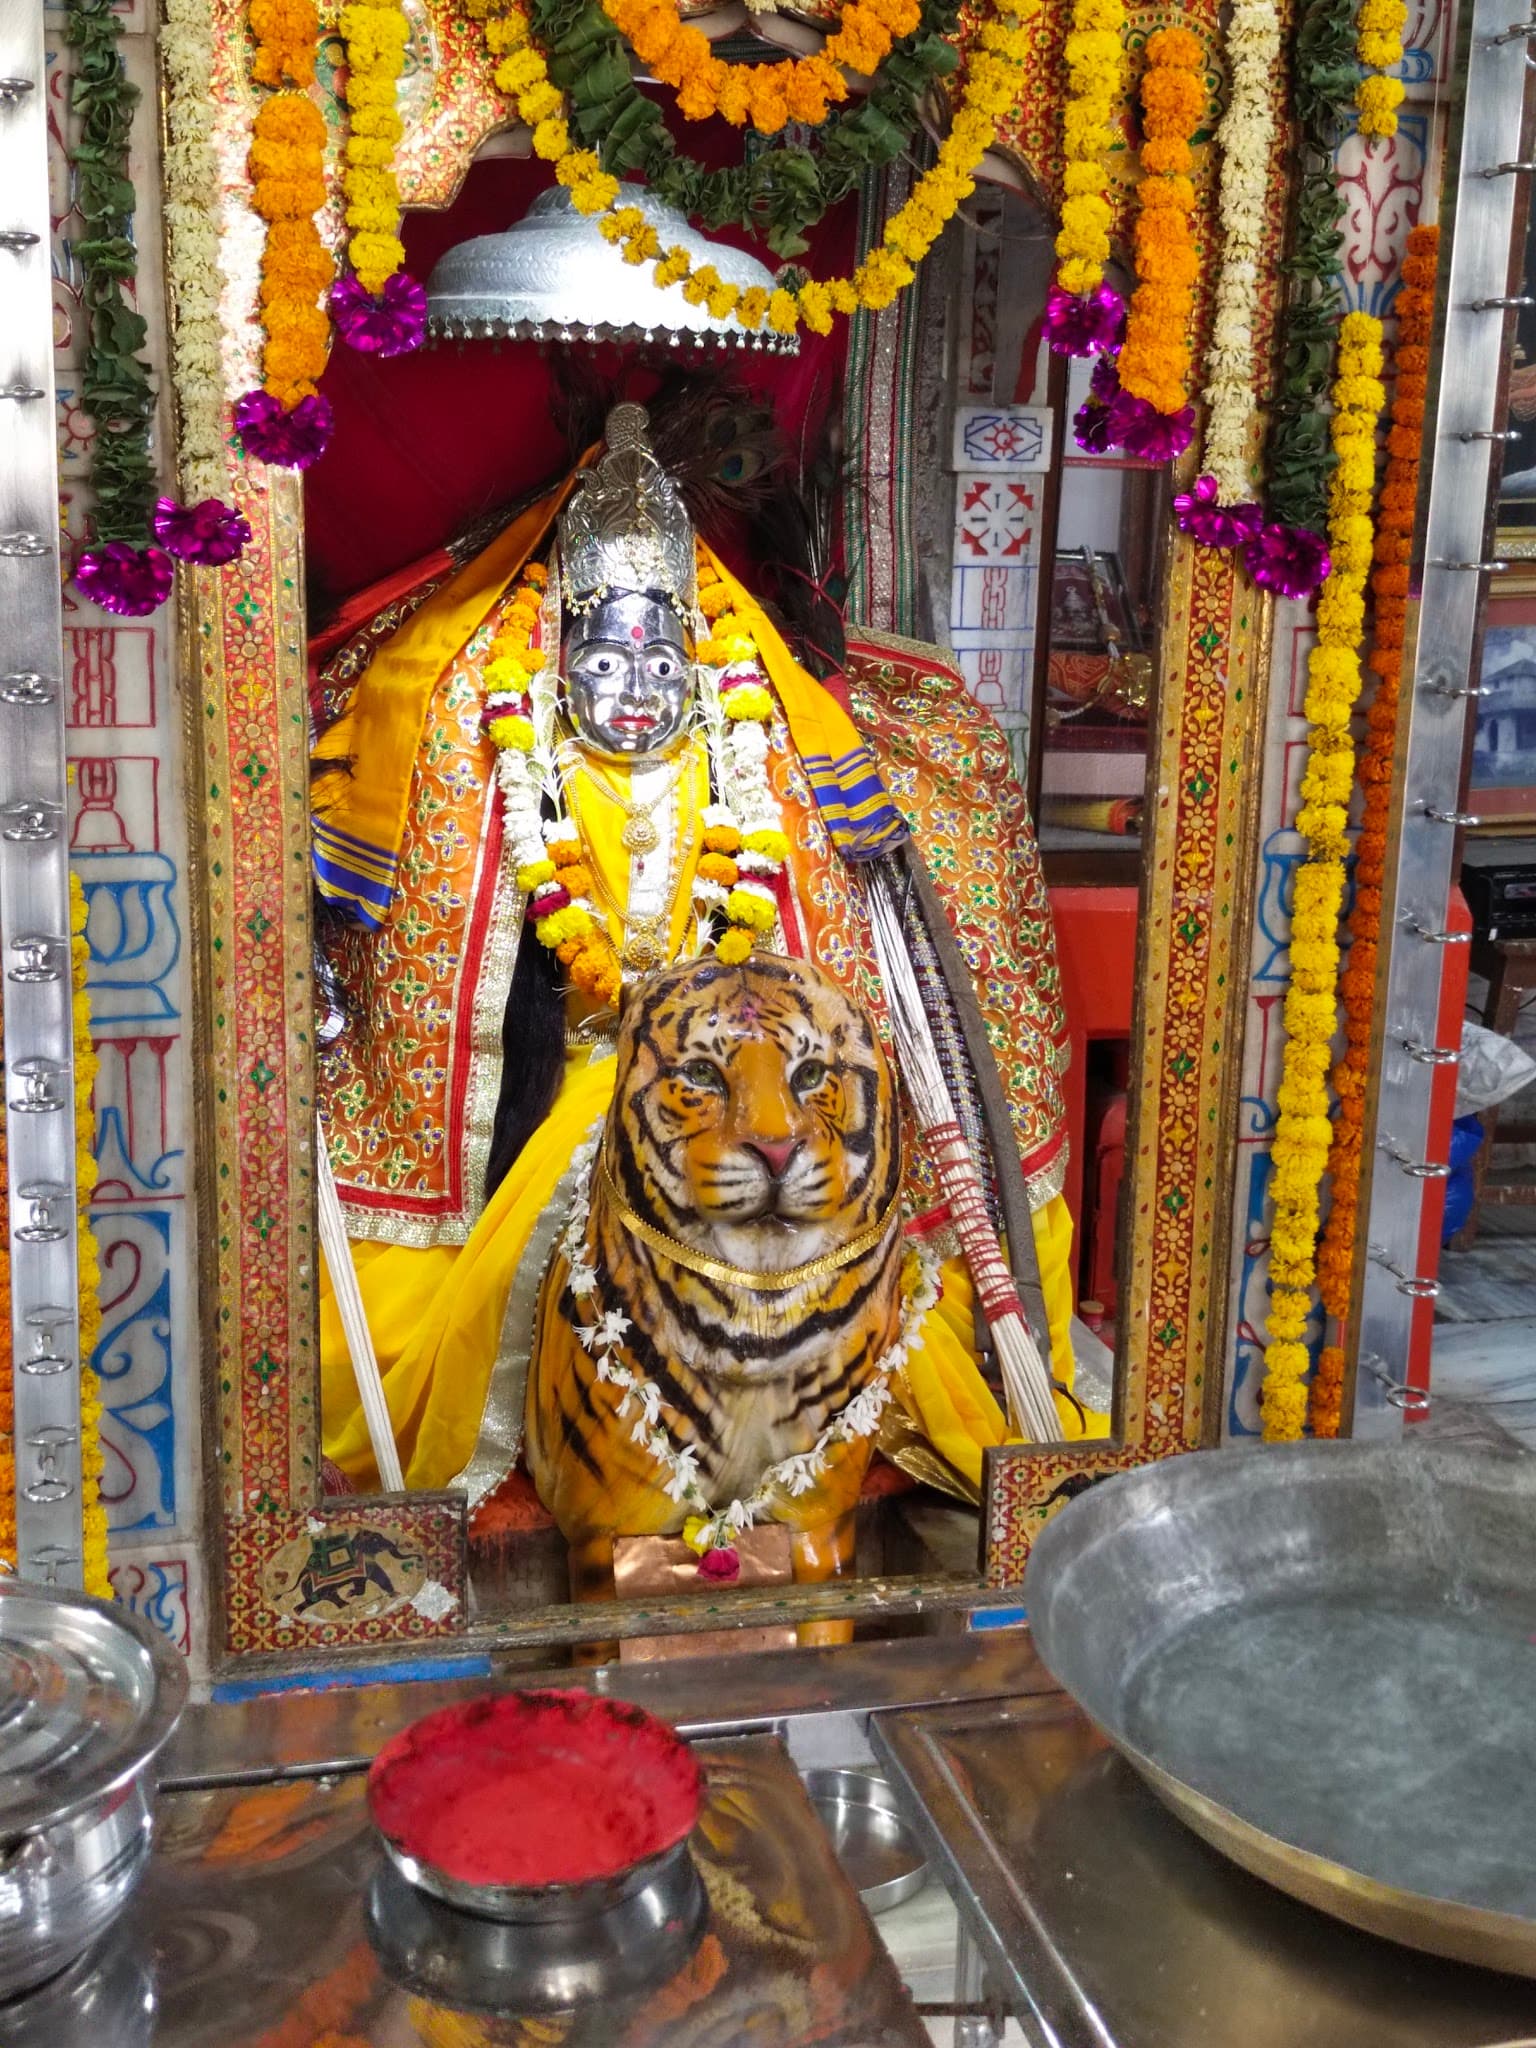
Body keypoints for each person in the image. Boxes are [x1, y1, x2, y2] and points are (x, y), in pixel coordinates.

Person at [315, 402, 1102, 1515]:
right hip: (582, 1099)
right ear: (557, 651)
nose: (634, 688)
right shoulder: (486, 743)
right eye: (604, 656)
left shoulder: (752, 751)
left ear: (698, 652)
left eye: (658, 657)